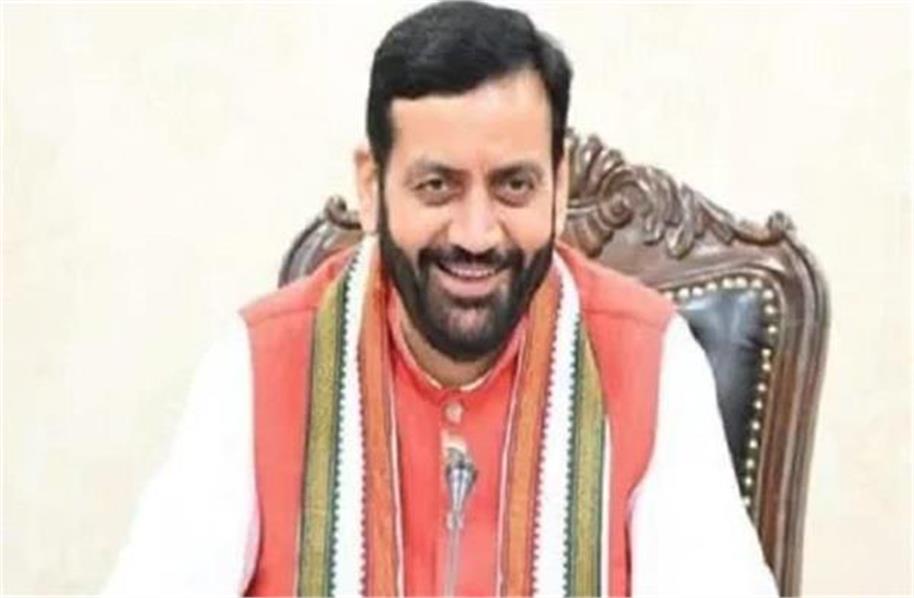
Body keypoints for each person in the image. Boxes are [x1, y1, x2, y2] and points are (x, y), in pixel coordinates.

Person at [104, 2, 778, 596]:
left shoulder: (649, 358)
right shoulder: (259, 363)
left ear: (559, 186)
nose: (476, 235)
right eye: (437, 187)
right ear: (372, 187)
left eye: (514, 186)